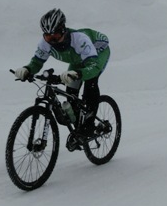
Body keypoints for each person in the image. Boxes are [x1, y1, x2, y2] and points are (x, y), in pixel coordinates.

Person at [13, 8, 110, 138]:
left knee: (90, 83)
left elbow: (93, 66)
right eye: (48, 36)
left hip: (98, 53)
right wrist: (27, 69)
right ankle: (77, 125)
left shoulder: (79, 39)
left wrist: (79, 74)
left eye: (56, 36)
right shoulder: (45, 43)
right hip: (78, 58)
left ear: (63, 30)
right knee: (71, 94)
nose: (52, 40)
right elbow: (36, 62)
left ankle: (89, 124)